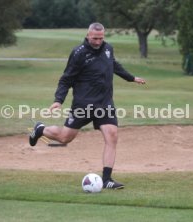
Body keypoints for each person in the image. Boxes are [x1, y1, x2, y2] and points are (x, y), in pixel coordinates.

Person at [29, 22, 145, 189]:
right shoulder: (78, 53)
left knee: (112, 136)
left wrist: (131, 78)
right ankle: (40, 129)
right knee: (65, 138)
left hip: (104, 103)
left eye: (101, 38)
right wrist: (58, 100)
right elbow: (66, 79)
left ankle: (107, 180)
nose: (98, 42)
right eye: (94, 38)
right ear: (88, 35)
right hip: (83, 104)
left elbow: (113, 65)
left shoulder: (107, 48)